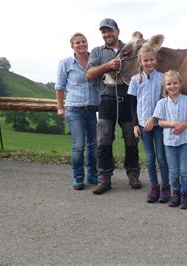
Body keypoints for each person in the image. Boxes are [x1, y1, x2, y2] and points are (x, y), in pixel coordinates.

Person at [86, 18, 141, 195]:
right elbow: (89, 74)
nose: (106, 34)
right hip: (107, 99)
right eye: (103, 31)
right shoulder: (96, 52)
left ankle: (133, 175)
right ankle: (105, 179)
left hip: (128, 98)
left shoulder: (131, 47)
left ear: (117, 31)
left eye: (109, 30)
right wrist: (108, 66)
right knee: (104, 141)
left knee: (131, 140)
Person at [55, 32, 99, 190]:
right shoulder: (66, 63)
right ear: (72, 46)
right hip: (74, 109)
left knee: (93, 145)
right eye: (77, 43)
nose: (81, 44)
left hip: (92, 109)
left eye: (84, 41)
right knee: (79, 145)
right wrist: (60, 107)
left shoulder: (94, 60)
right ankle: (78, 176)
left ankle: (93, 174)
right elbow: (59, 87)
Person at [128, 45, 170, 203]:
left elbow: (165, 101)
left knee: (161, 157)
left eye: (151, 59)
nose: (149, 62)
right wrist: (135, 125)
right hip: (143, 125)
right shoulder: (135, 80)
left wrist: (154, 118)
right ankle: (154, 187)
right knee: (150, 158)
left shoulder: (162, 78)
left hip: (159, 124)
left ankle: (166, 187)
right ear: (140, 62)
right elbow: (132, 103)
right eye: (145, 60)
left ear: (156, 61)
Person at [153, 70, 187, 209]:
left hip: (184, 141)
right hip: (169, 142)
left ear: (180, 84)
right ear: (165, 86)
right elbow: (160, 122)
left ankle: (185, 195)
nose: (172, 86)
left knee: (183, 169)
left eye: (175, 83)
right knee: (173, 170)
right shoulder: (162, 103)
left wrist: (184, 125)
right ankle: (176, 194)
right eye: (168, 84)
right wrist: (173, 124)